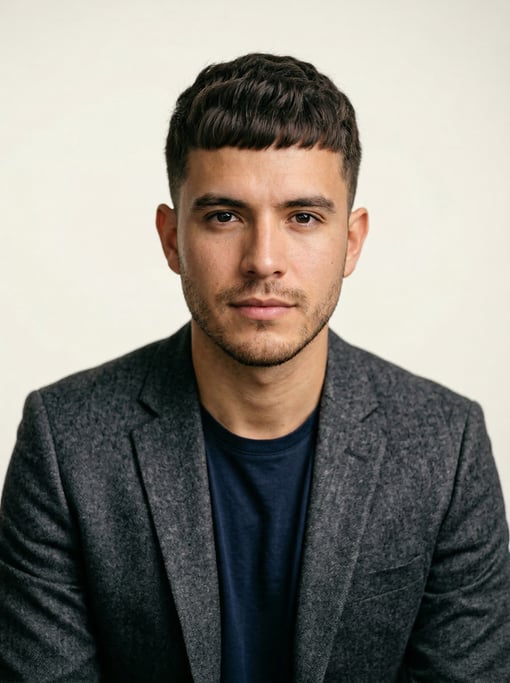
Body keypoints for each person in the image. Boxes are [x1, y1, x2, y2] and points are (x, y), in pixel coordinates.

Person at [0, 53, 509, 683]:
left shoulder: (445, 445)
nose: (263, 260)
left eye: (302, 217)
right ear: (170, 239)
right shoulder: (64, 441)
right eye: (224, 216)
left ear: (351, 241)